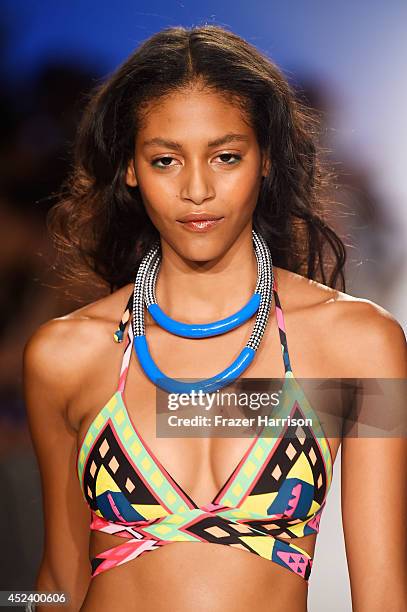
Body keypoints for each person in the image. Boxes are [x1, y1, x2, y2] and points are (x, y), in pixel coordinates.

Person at [23, 25, 407, 612]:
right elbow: (55, 581)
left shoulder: (358, 345)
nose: (196, 189)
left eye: (225, 156)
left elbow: (382, 594)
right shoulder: (65, 355)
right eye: (165, 160)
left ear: (267, 160)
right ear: (130, 168)